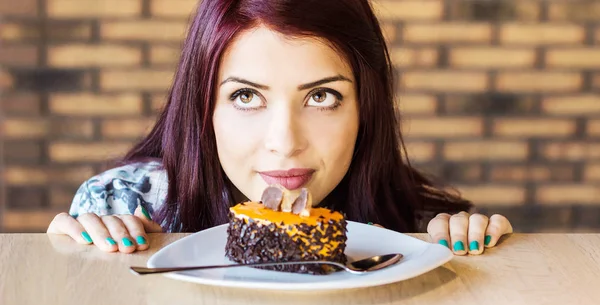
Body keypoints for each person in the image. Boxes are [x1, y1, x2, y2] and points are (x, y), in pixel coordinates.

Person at [47, 0, 513, 255]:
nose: (286, 144)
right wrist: (78, 263)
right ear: (202, 108)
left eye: (321, 96)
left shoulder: (413, 234)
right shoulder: (124, 204)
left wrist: (470, 249)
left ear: (365, 108)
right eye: (246, 97)